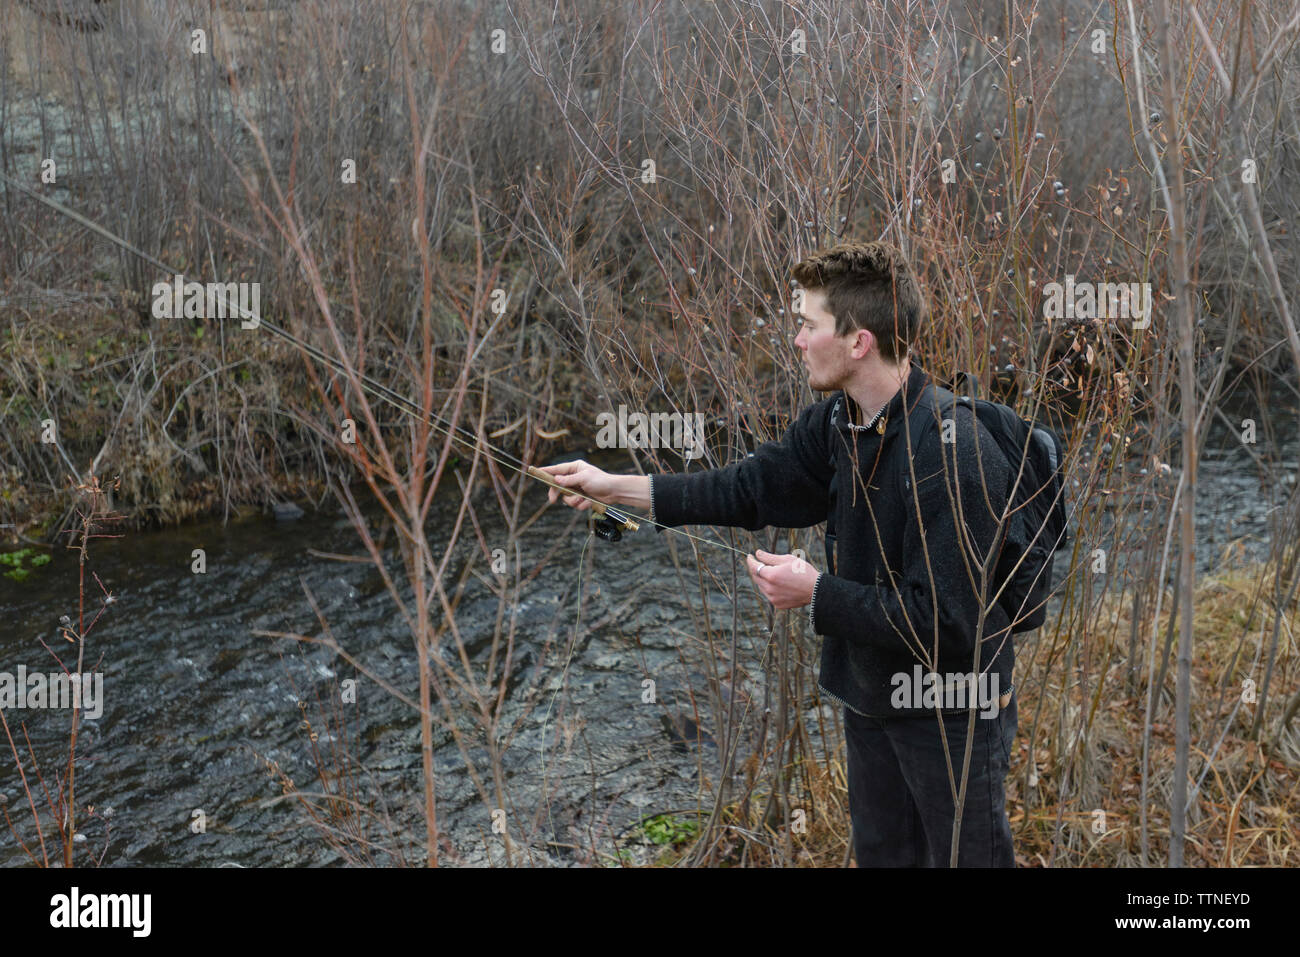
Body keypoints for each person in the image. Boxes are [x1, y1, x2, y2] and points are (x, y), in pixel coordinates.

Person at [538, 241, 1018, 867]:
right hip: (872, 699)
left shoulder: (955, 453)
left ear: (858, 342)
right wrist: (615, 487)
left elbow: (951, 622)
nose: (795, 339)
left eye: (807, 324)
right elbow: (745, 488)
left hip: (952, 712)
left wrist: (817, 593)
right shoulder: (838, 424)